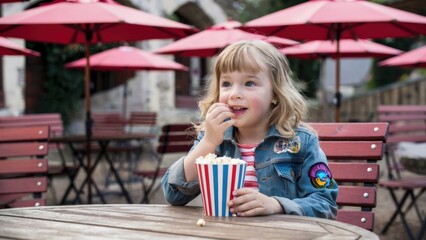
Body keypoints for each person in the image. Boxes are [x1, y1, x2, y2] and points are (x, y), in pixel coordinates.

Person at [161, 40, 338, 219]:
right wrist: (208, 142)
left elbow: (325, 204)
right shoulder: (214, 139)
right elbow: (173, 194)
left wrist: (276, 205)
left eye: (249, 83)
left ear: (275, 94)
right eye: (227, 84)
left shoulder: (302, 142)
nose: (234, 93)